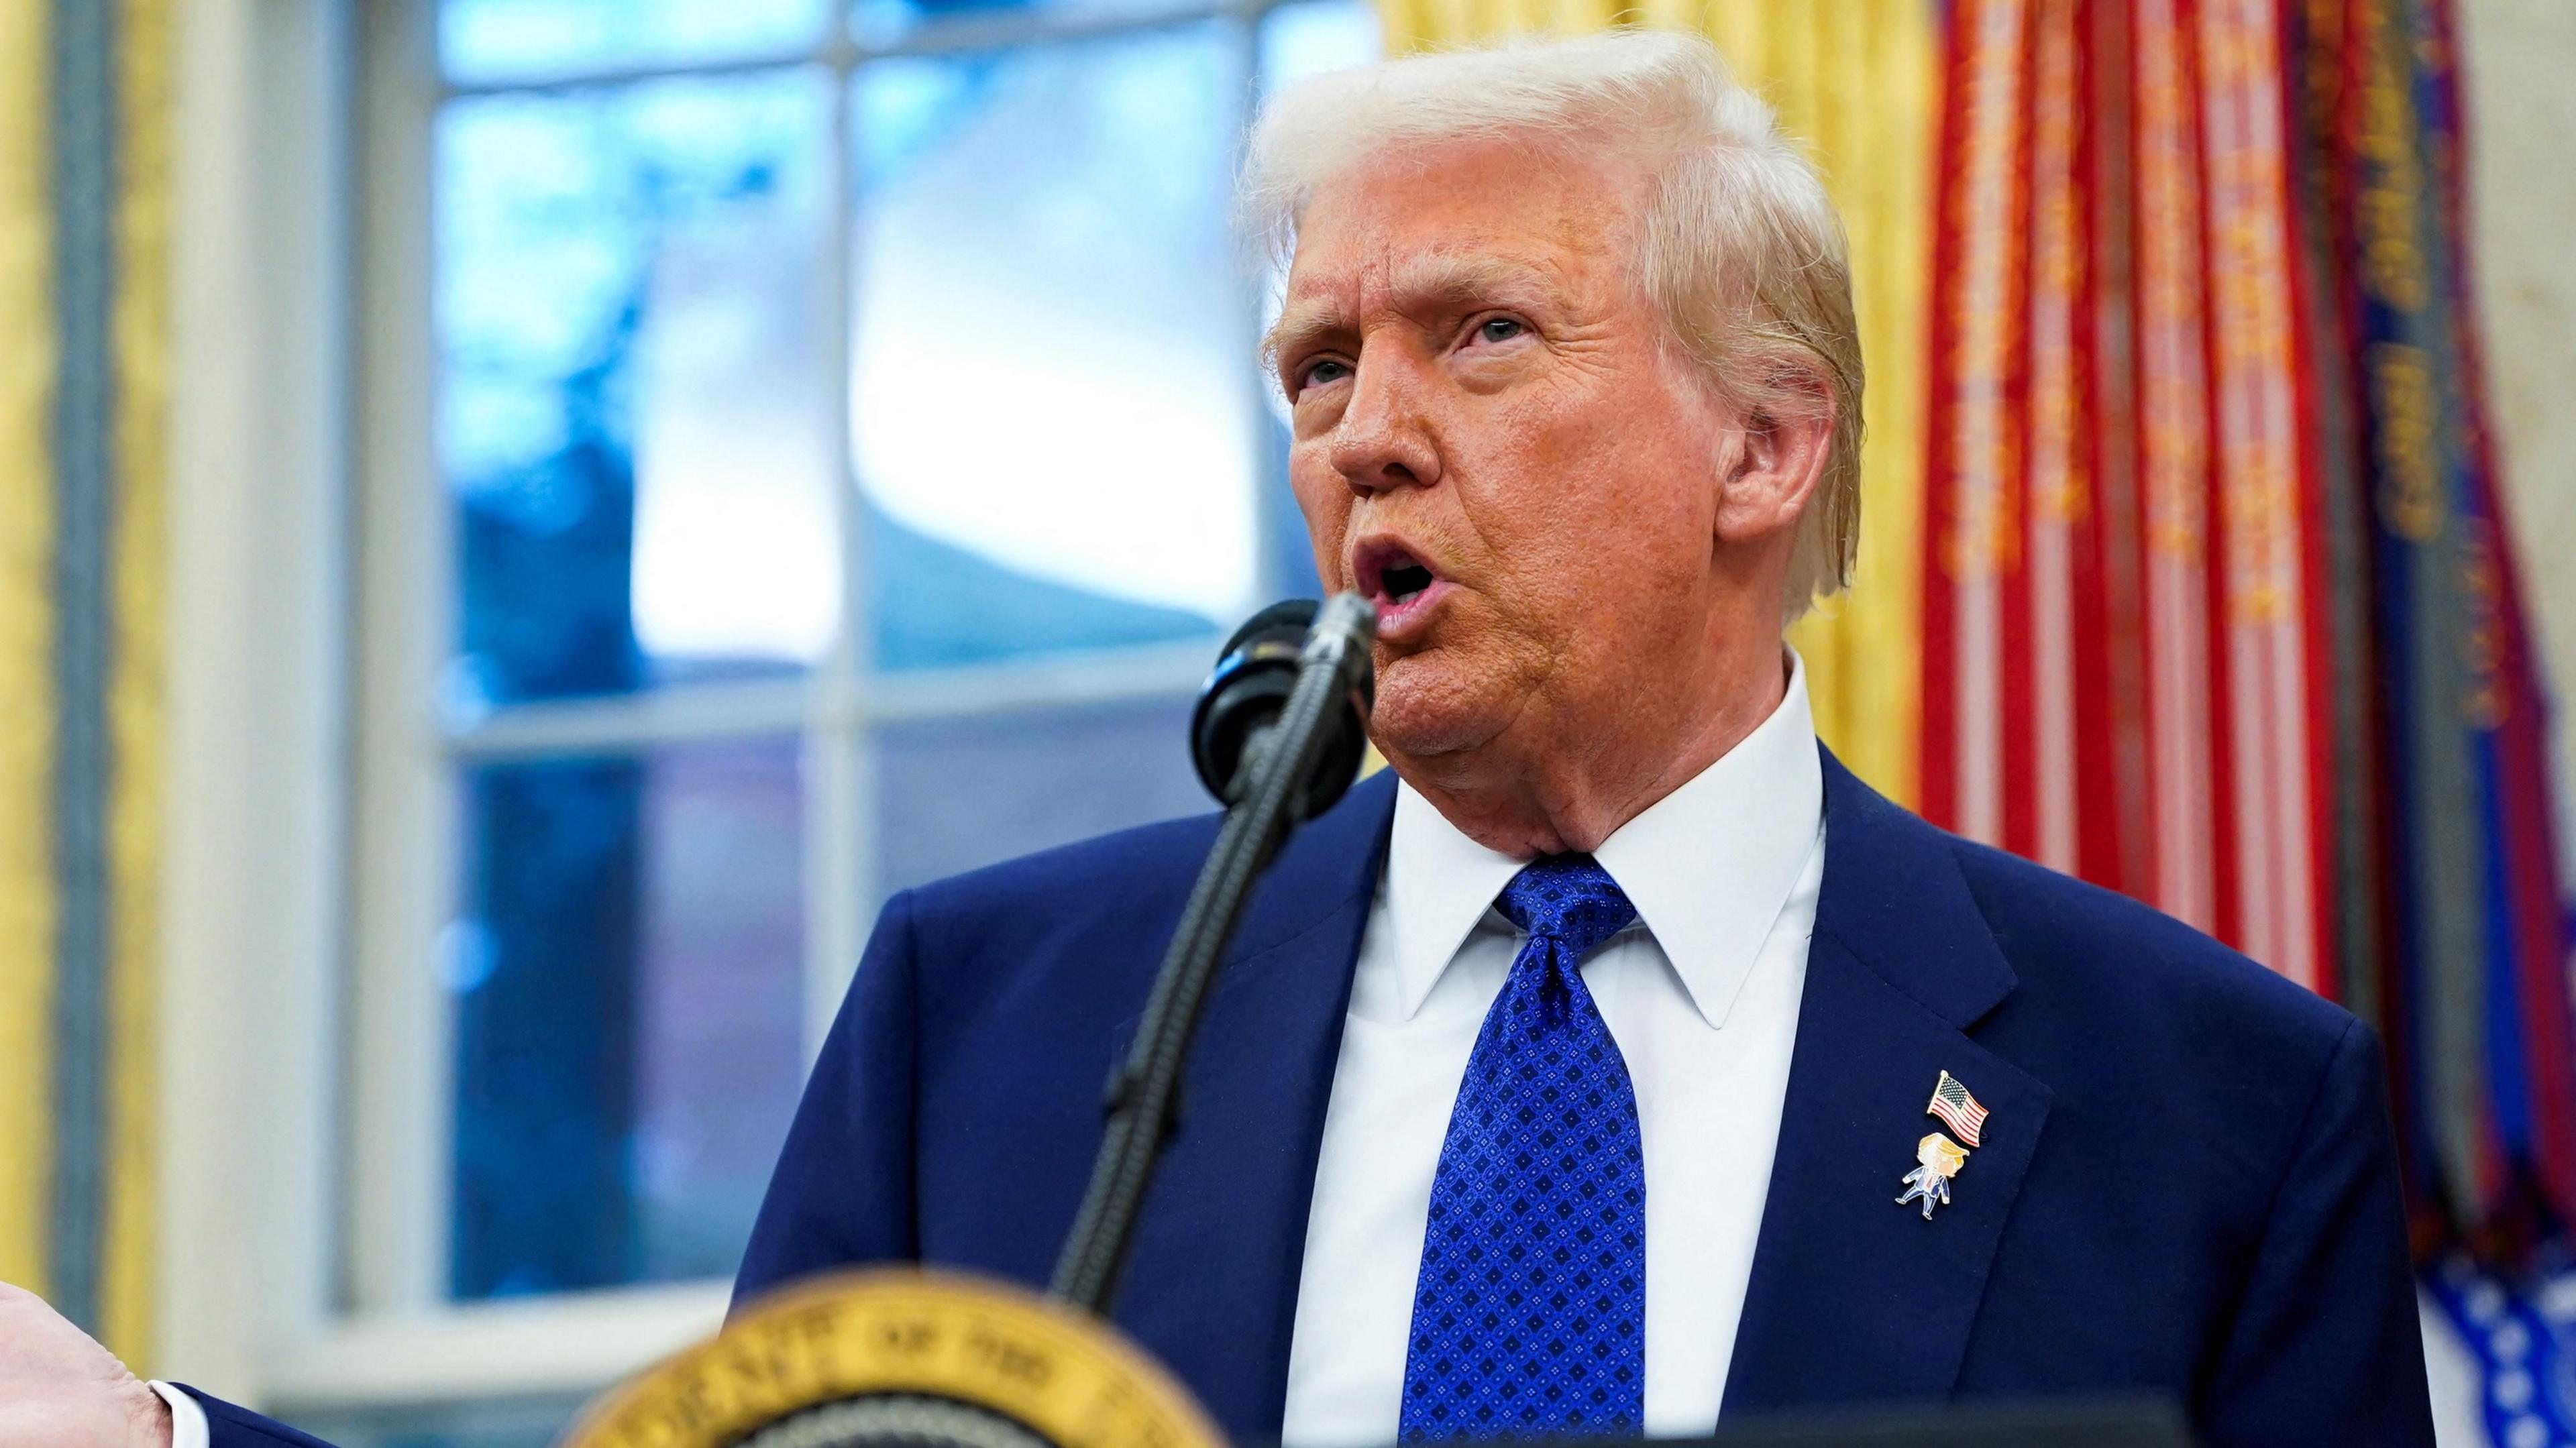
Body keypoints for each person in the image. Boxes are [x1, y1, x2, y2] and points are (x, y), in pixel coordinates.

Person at [1, 30, 2432, 1448]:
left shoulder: (2197, 1101)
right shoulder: (999, 1024)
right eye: (1315, 367)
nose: (1363, 431)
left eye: (1478, 337)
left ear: (1762, 449)